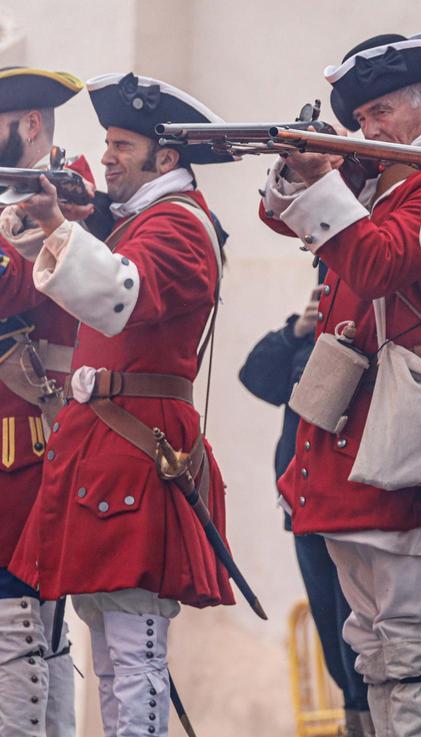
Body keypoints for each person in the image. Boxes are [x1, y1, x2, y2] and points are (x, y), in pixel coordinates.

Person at [257, 31, 421, 737]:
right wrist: (314, 165)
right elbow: (276, 215)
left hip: (413, 432)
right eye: (359, 118)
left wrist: (325, 177)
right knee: (375, 647)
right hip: (362, 431)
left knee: (413, 648)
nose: (367, 127)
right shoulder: (382, 181)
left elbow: (381, 261)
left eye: (380, 112)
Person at [8, 72, 235, 737]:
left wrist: (59, 226)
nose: (106, 156)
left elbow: (117, 296)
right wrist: (54, 226)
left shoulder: (179, 223)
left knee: (134, 658)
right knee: (112, 657)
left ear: (166, 158)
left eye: (122, 144)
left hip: (139, 447)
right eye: (106, 141)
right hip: (110, 448)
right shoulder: (143, 219)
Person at [237, 274, 372, 737]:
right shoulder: (306, 338)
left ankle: (369, 718)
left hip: (352, 510)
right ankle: (356, 719)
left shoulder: (364, 329)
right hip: (303, 510)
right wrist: (299, 327)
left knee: (363, 634)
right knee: (332, 631)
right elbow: (254, 375)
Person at [0, 66, 86, 737]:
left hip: (26, 443)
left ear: (29, 125)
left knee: (20, 625)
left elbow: (13, 288)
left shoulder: (66, 196)